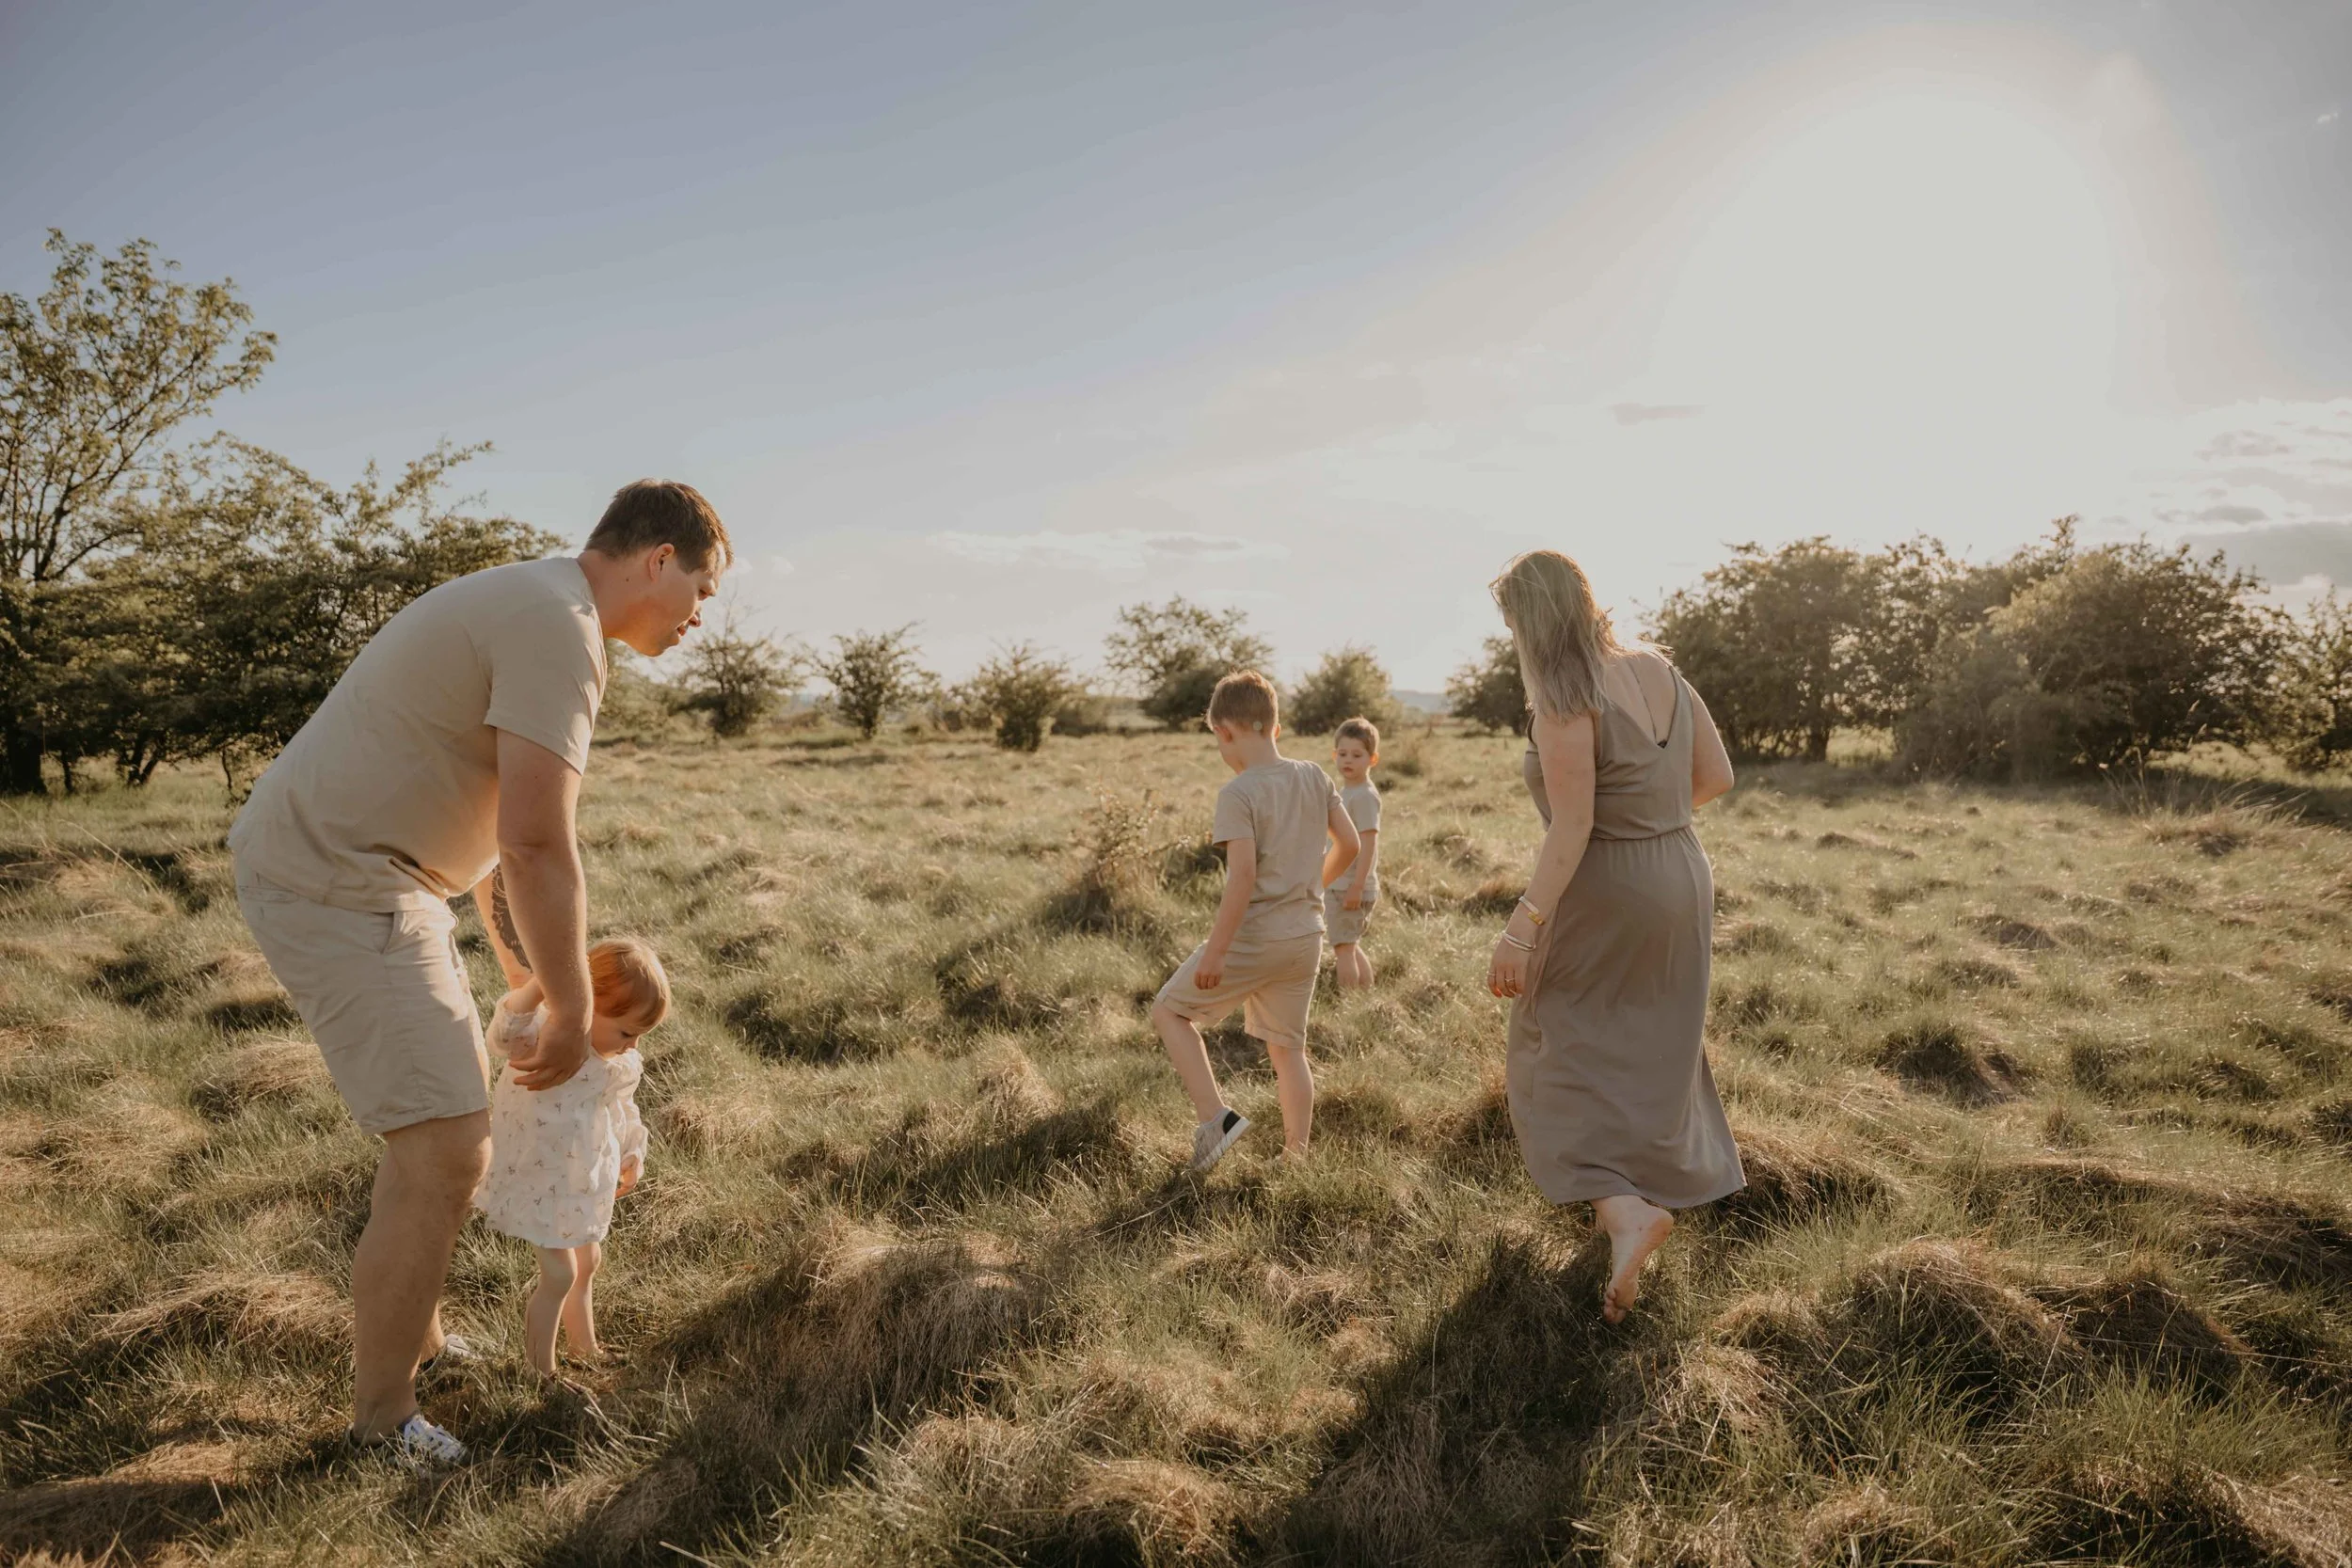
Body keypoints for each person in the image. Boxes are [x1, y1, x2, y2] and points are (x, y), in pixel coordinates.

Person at [228, 479, 728, 1464]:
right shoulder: (559, 628)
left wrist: (527, 976)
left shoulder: (544, 606)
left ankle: (420, 1339)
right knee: (449, 1147)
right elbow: (542, 841)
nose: (701, 617)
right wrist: (577, 1008)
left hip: (387, 883)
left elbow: (500, 833)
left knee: (439, 1129)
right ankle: (382, 1420)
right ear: (658, 558)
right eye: (703, 590)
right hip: (341, 880)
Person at [1480, 549, 1742, 1323]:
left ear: (1532, 622)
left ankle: (1624, 1210)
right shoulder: (1661, 669)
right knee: (1647, 1045)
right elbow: (1717, 774)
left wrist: (1521, 929)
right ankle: (1635, 1200)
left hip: (1608, 885)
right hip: (1683, 871)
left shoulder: (1564, 696)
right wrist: (1655, 822)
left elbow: (1573, 827)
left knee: (1549, 1044)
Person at [1152, 671, 1359, 1171]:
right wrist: (1310, 885)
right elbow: (1350, 845)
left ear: (1225, 732)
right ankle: (1296, 1156)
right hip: (1306, 938)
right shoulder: (1316, 775)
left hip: (1255, 939)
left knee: (1169, 1013)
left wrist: (1218, 952)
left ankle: (1215, 1119)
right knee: (1289, 1050)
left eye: (1216, 740)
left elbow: (1241, 877)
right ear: (1275, 726)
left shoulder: (1237, 793)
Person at [473, 937, 667, 1377]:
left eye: (639, 1035)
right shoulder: (542, 1036)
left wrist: (633, 1148)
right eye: (626, 1031)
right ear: (587, 1002)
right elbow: (502, 1032)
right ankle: (539, 1371)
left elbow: (621, 1106)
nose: (633, 1045)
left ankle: (585, 1349)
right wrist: (545, 984)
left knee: (588, 1261)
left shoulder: (615, 1060)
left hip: (582, 1175)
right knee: (559, 1274)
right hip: (539, 1177)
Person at [1323, 716, 1384, 990]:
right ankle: (1366, 994)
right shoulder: (1346, 792)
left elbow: (1369, 844)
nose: (1348, 761)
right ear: (1334, 755)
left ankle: (1349, 1003)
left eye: (1357, 755)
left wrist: (1357, 886)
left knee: (1344, 950)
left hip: (1351, 886)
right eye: (1343, 754)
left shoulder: (1365, 796)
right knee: (1348, 944)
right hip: (1340, 883)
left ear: (1372, 759)